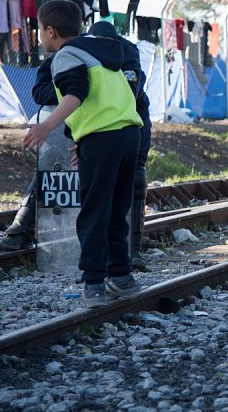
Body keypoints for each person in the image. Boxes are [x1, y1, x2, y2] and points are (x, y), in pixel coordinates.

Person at [23, 0, 144, 306]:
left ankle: (93, 284)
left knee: (94, 211)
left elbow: (77, 93)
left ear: (50, 31)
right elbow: (105, 98)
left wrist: (46, 127)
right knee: (117, 210)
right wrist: (83, 139)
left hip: (104, 137)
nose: (39, 34)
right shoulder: (102, 52)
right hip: (129, 134)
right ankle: (122, 277)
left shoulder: (66, 56)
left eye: (39, 29)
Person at [88, 21, 152, 272]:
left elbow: (130, 90)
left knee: (134, 177)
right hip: (95, 126)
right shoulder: (79, 51)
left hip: (131, 123)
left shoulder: (128, 54)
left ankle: (133, 249)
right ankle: (22, 228)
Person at [0, 52, 60, 250]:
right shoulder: (56, 59)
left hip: (99, 131)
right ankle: (23, 227)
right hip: (68, 128)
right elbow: (40, 93)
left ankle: (22, 227)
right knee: (48, 166)